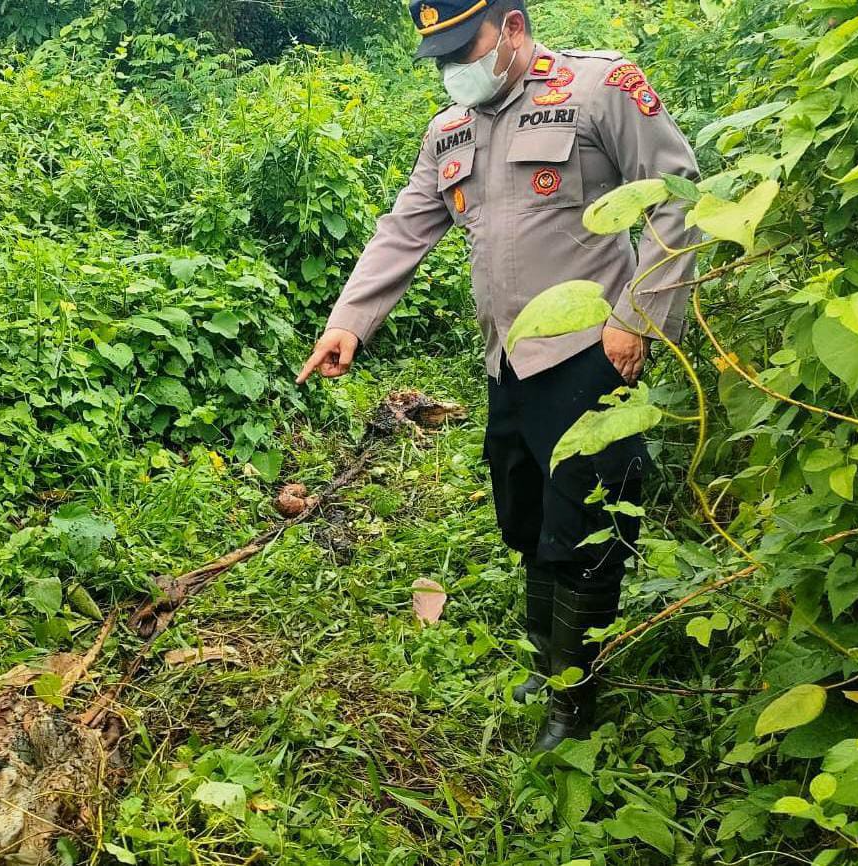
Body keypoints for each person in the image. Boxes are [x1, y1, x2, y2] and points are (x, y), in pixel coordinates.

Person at [295, 0, 700, 751]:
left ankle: (573, 700)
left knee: (584, 527)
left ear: (512, 27)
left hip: (590, 354)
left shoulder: (598, 88)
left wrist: (638, 318)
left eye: (466, 46)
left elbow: (674, 198)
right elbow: (405, 226)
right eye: (441, 56)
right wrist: (349, 320)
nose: (456, 69)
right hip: (507, 361)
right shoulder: (450, 129)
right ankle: (547, 662)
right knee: (524, 516)